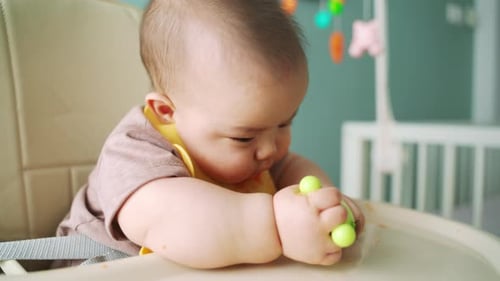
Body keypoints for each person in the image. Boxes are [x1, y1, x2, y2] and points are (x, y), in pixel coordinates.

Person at [57, 0, 365, 269]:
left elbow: (290, 168)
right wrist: (280, 228)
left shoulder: (257, 154)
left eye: (285, 124)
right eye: (245, 137)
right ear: (167, 112)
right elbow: (177, 222)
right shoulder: (134, 153)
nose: (270, 150)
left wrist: (323, 206)